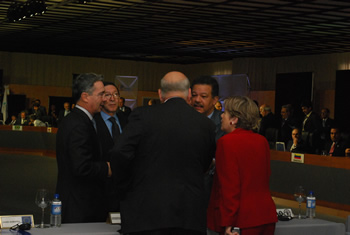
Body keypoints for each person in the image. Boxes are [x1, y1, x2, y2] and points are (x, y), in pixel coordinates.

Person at [110, 71, 216, 235]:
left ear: (160, 94)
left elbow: (119, 152)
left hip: (146, 212)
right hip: (189, 215)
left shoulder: (142, 116)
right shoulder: (205, 124)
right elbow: (205, 164)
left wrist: (126, 185)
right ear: (188, 94)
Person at [207, 96, 277, 235]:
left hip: (241, 221)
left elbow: (230, 187)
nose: (221, 115)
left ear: (234, 119)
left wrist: (228, 222)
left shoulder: (226, 143)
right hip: (265, 216)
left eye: (225, 113)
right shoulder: (262, 141)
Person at [55, 73, 111, 223]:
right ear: (85, 96)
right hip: (79, 207)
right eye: (101, 94)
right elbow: (81, 167)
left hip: (77, 203)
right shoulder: (79, 125)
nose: (105, 99)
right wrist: (107, 168)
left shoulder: (75, 120)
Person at [94, 81, 127, 212]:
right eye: (107, 95)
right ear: (100, 98)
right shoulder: (92, 122)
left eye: (115, 94)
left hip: (124, 189)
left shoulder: (127, 119)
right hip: (100, 189)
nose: (112, 99)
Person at [191, 75, 225, 142]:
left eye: (203, 96)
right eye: (194, 95)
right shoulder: (184, 119)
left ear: (215, 100)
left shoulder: (223, 123)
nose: (197, 100)